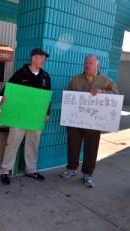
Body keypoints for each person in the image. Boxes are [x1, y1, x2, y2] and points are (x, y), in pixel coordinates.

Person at [59, 55, 118, 187]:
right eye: (86, 62)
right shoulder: (76, 80)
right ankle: (71, 169)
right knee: (73, 145)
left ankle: (88, 174)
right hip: (75, 121)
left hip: (94, 122)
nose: (87, 65)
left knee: (91, 148)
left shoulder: (106, 81)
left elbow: (116, 96)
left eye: (91, 63)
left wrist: (102, 92)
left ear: (98, 65)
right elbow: (69, 97)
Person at [0, 48, 51, 185]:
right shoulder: (20, 74)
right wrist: (2, 99)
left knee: (33, 144)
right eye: (41, 57)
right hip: (18, 117)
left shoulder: (45, 77)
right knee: (13, 143)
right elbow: (5, 91)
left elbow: (47, 98)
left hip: (36, 117)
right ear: (33, 58)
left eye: (44, 58)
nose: (43, 60)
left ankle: (31, 170)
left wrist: (47, 113)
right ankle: (5, 171)